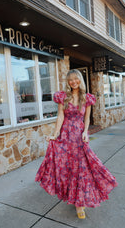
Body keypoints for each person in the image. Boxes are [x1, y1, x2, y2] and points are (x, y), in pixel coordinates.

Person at [35, 69, 118, 219]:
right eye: (70, 80)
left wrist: (86, 131)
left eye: (76, 79)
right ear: (68, 82)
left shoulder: (87, 98)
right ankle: (72, 196)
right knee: (67, 168)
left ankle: (80, 204)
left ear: (80, 80)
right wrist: (55, 134)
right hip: (65, 136)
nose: (73, 82)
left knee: (82, 169)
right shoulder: (63, 97)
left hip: (79, 137)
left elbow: (87, 118)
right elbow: (60, 116)